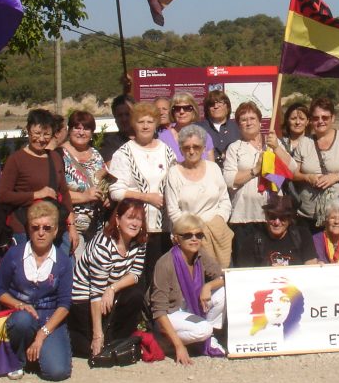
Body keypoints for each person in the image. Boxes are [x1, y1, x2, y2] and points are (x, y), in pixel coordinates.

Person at [0, 200, 72, 381]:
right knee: (23, 320)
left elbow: (65, 304)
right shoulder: (13, 254)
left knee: (57, 372)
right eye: (35, 227)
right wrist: (19, 304)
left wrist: (42, 335)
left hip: (49, 317)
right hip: (20, 315)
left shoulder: (63, 261)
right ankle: (17, 359)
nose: (41, 233)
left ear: (56, 231)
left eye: (47, 228)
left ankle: (36, 350)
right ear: (29, 229)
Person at [68, 199, 147, 358]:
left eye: (138, 219)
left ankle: (117, 339)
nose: (134, 223)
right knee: (89, 350)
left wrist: (112, 288)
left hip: (109, 292)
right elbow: (95, 292)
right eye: (130, 217)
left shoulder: (139, 242)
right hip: (84, 297)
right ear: (117, 219)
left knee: (136, 295)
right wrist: (98, 334)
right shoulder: (103, 246)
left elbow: (136, 274)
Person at [107, 102, 176, 275]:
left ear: (156, 124)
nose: (145, 126)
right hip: (136, 229)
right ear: (133, 124)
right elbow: (115, 192)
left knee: (162, 276)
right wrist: (147, 197)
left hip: (164, 228)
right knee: (139, 279)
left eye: (150, 121)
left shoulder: (167, 151)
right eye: (140, 121)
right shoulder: (123, 153)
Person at [148, 214, 227, 364]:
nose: (194, 239)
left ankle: (207, 338)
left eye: (198, 235)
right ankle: (168, 342)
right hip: (171, 312)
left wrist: (208, 286)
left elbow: (223, 276)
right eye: (188, 235)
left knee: (223, 293)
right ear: (176, 238)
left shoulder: (200, 255)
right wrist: (179, 346)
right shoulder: (165, 264)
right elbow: (158, 310)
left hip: (191, 308)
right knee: (203, 329)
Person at [0, 109, 75, 252]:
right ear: (28, 130)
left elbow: (64, 192)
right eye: (37, 133)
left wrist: (71, 227)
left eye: (46, 134)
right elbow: (3, 195)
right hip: (24, 228)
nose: (41, 139)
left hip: (53, 226)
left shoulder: (55, 157)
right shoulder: (16, 159)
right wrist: (35, 195)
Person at [166, 124, 233, 267]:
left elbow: (225, 201)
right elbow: (173, 210)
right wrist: (193, 230)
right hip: (189, 238)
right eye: (186, 147)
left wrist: (219, 221)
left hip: (217, 233)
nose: (191, 151)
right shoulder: (174, 172)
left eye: (196, 146)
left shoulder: (214, 168)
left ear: (203, 148)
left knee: (221, 280)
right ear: (181, 150)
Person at [293, 98, 339, 225]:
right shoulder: (304, 142)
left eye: (325, 117)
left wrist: (336, 177)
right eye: (316, 118)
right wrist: (307, 177)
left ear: (333, 118)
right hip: (310, 216)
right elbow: (293, 173)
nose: (320, 121)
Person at [223, 102, 292, 227]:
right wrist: (256, 170)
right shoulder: (234, 148)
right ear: (239, 125)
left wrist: (276, 148)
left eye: (252, 118)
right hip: (244, 216)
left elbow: (292, 169)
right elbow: (229, 180)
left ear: (260, 121)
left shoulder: (273, 143)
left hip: (274, 216)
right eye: (243, 120)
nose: (249, 123)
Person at [60, 110, 107, 242]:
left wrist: (107, 196)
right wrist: (84, 196)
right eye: (77, 127)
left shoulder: (96, 155)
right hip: (70, 227)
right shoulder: (59, 155)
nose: (81, 132)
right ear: (69, 130)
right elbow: (56, 192)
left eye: (86, 128)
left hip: (96, 227)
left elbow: (103, 181)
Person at [232, 196, 318, 267]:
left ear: (289, 218)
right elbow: (245, 274)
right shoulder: (251, 241)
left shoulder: (302, 235)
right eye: (272, 217)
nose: (277, 222)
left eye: (282, 218)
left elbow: (310, 265)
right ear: (266, 216)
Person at [160, 92, 215, 161]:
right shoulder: (163, 138)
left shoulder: (204, 136)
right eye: (177, 108)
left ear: (193, 111)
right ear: (172, 111)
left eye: (187, 108)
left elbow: (212, 167)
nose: (182, 112)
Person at [200, 89, 242, 167]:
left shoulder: (238, 128)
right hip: (207, 173)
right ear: (207, 109)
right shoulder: (198, 128)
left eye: (220, 103)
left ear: (227, 106)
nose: (216, 106)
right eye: (211, 104)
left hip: (234, 174)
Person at [100, 94, 135, 164]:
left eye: (127, 114)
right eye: (120, 115)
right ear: (115, 119)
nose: (124, 119)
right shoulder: (110, 144)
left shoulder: (150, 138)